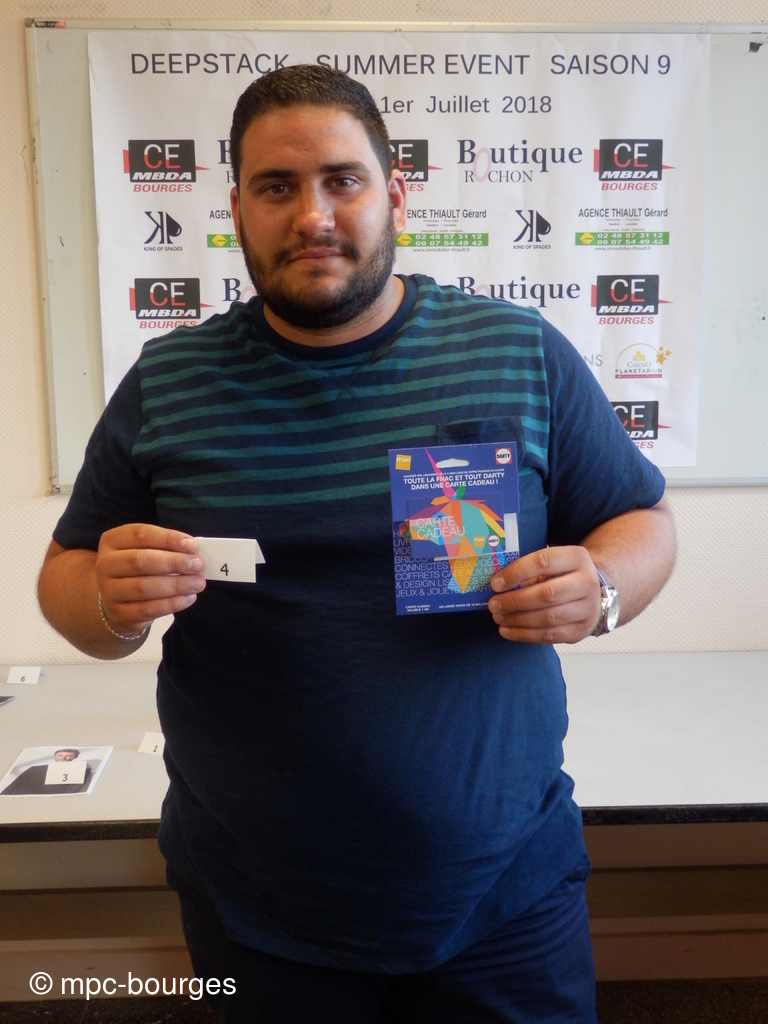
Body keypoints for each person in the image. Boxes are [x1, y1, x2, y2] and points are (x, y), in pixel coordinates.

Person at [37, 64, 676, 1023]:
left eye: (342, 180)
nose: (313, 216)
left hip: (504, 898)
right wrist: (106, 602)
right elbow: (66, 576)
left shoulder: (518, 351)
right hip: (259, 914)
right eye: (276, 187)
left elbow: (645, 521)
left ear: (395, 195)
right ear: (236, 209)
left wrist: (605, 587)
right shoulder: (169, 384)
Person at [1, 749, 93, 795]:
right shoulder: (35, 769)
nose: (64, 758)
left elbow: (72, 791)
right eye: (60, 755)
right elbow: (15, 784)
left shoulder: (78, 770)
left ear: (74, 757)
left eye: (69, 756)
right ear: (55, 756)